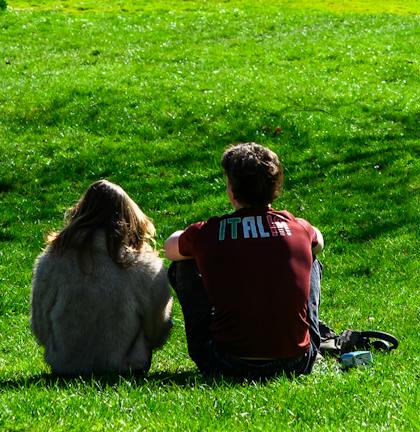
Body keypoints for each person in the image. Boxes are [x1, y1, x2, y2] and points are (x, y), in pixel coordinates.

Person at [164, 142, 324, 380]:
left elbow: (169, 248)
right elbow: (319, 241)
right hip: (296, 362)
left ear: (231, 188)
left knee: (183, 264)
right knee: (311, 258)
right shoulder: (298, 228)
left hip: (223, 362)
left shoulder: (209, 232)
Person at [30, 180, 173, 377]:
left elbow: (40, 326)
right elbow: (157, 331)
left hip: (67, 367)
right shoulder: (145, 267)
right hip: (127, 367)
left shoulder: (52, 261)